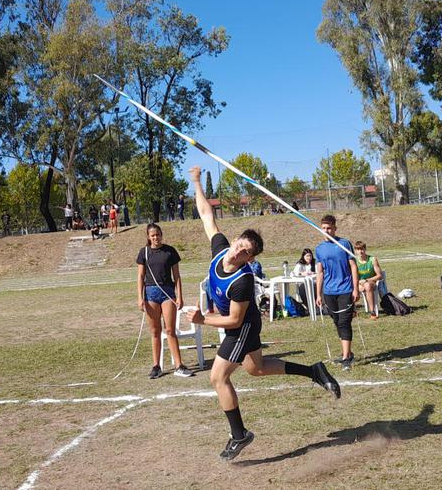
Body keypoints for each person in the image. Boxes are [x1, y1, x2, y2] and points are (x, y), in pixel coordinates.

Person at [184, 166, 341, 461]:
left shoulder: (242, 281)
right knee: (255, 369)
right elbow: (207, 215)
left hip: (241, 325)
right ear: (234, 241)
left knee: (218, 378)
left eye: (245, 253)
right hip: (238, 323)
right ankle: (314, 371)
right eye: (239, 245)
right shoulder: (220, 250)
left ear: (250, 259)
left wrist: (201, 319)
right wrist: (196, 181)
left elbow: (233, 321)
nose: (238, 252)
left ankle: (239, 434)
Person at [136, 223, 192, 379]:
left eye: (158, 234)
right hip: (150, 294)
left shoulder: (170, 251)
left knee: (170, 330)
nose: (156, 238)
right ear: (148, 237)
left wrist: (179, 296)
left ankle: (179, 365)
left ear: (162, 235)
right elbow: (140, 276)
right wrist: (140, 297)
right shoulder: (144, 253)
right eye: (153, 235)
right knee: (155, 332)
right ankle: (156, 366)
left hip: (167, 293)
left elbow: (177, 276)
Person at [314, 214, 359, 370]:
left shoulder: (344, 243)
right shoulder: (319, 249)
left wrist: (355, 287)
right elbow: (320, 272)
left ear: (335, 228)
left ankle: (346, 357)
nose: (327, 231)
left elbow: (353, 266)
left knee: (344, 322)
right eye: (324, 228)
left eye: (329, 228)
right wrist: (318, 294)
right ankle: (347, 352)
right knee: (336, 322)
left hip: (345, 288)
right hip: (329, 291)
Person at [354, 241, 384, 319]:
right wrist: (358, 284)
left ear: (365, 249)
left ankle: (372, 311)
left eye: (362, 249)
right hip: (359, 284)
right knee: (349, 285)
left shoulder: (372, 259)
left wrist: (367, 280)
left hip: (371, 282)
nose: (360, 251)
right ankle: (352, 311)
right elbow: (353, 276)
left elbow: (379, 275)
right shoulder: (354, 261)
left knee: (367, 286)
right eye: (358, 249)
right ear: (355, 251)